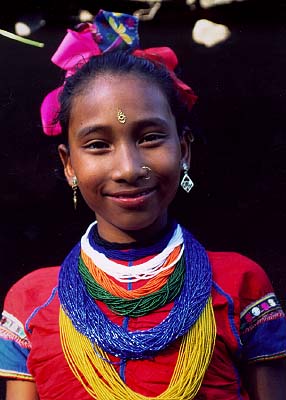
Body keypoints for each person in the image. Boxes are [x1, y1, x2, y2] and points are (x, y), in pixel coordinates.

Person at [0, 9, 286, 400]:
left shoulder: (240, 284)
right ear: (69, 165)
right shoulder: (31, 300)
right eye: (98, 145)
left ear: (184, 150)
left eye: (150, 138)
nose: (129, 169)